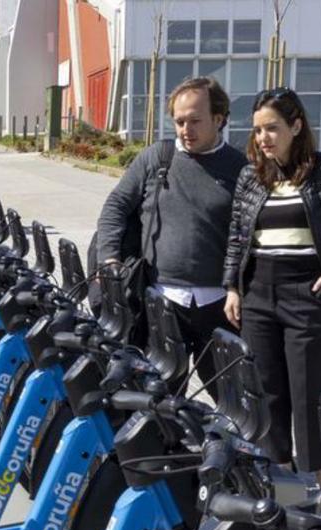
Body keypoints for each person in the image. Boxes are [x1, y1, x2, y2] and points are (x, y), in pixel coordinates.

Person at [223, 88, 321, 484]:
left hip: (308, 291)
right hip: (258, 293)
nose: (263, 138)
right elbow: (237, 237)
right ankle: (279, 483)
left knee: (310, 393)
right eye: (256, 131)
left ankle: (319, 483)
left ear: (296, 125)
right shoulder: (250, 176)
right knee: (265, 391)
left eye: (272, 128)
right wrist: (233, 288)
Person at [94, 77, 247, 395]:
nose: (185, 129)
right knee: (157, 403)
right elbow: (116, 207)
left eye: (195, 120)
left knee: (234, 405)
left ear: (218, 119)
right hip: (161, 305)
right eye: (179, 121)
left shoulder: (240, 168)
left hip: (219, 308)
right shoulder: (157, 158)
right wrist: (109, 257)